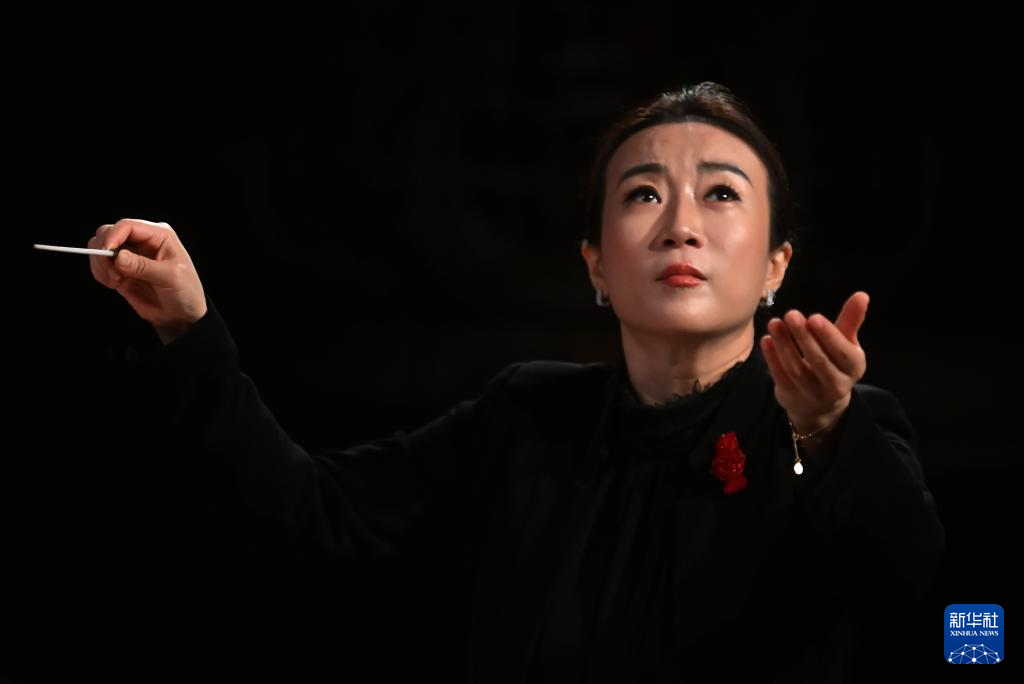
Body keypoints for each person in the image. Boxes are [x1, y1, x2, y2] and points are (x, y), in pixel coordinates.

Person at [85, 82, 944, 681]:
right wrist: (188, 328)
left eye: (721, 194)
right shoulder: (528, 416)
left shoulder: (839, 428)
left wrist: (827, 427)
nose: (681, 225)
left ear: (776, 266)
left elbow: (910, 588)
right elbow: (312, 514)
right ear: (596, 265)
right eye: (644, 195)